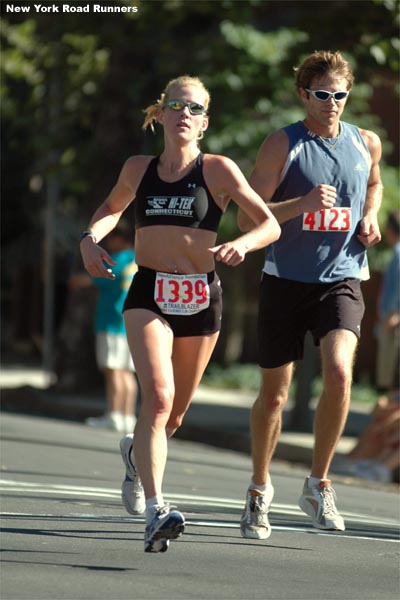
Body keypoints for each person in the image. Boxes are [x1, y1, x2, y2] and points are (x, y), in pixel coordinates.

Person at [79, 75, 281, 553]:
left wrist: (242, 243)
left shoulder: (218, 170)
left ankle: (134, 453)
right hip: (148, 291)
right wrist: (90, 238)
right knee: (160, 397)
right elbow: (111, 207)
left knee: (174, 416)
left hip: (199, 296)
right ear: (163, 114)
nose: (184, 114)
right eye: (176, 106)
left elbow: (268, 223)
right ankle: (156, 509)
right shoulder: (138, 167)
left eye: (194, 109)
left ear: (204, 122)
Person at [237, 50, 383, 538]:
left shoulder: (366, 142)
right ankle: (259, 488)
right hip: (285, 279)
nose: (332, 104)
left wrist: (371, 214)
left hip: (343, 275)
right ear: (304, 94)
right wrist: (299, 204)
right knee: (274, 397)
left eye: (340, 95)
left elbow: (376, 185)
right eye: (323, 95)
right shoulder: (283, 144)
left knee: (340, 372)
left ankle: (319, 483)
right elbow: (246, 218)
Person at [70, 221, 139, 434]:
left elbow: (91, 279)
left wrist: (75, 280)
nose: (109, 242)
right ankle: (128, 416)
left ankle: (114, 414)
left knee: (113, 371)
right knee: (127, 372)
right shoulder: (137, 259)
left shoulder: (116, 260)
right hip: (132, 321)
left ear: (119, 238)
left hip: (112, 320)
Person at [375, 210, 400, 394]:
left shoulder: (398, 253)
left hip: (393, 323)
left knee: (391, 377)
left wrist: (393, 315)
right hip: (392, 320)